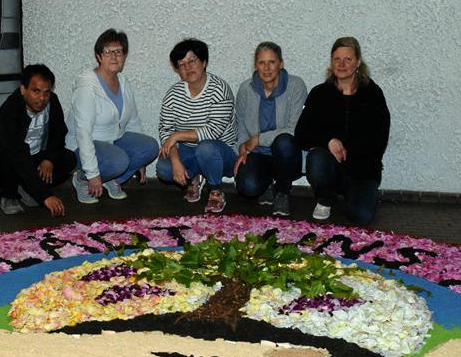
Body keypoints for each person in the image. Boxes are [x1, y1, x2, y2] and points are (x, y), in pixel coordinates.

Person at [295, 37, 390, 225]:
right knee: (316, 158)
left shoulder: (373, 94)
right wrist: (328, 141)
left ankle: (358, 195)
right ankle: (325, 198)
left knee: (361, 216)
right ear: (331, 62)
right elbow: (301, 135)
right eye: (337, 59)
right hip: (331, 165)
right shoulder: (319, 94)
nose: (342, 64)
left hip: (362, 169)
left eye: (348, 59)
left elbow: (380, 139)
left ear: (358, 62)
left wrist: (351, 151)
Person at [66, 29, 158, 204]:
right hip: (84, 146)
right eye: (108, 51)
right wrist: (93, 173)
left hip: (113, 140)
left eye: (119, 51)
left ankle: (112, 180)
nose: (114, 56)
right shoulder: (87, 86)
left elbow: (133, 120)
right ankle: (83, 179)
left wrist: (141, 162)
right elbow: (83, 133)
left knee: (150, 146)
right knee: (119, 161)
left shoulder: (123, 82)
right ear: (99, 56)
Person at [0, 64, 73, 217]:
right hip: (3, 162)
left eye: (46, 93)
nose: (42, 98)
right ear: (23, 90)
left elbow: (58, 134)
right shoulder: (10, 111)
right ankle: (9, 195)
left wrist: (49, 159)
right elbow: (17, 155)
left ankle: (26, 187)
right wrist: (45, 196)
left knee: (68, 159)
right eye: (36, 91)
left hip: (33, 155)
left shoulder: (52, 102)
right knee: (7, 156)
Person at [156, 38, 237, 214]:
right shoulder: (173, 94)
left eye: (192, 61)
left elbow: (212, 131)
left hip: (221, 152)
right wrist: (176, 160)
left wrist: (176, 136)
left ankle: (215, 190)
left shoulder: (220, 90)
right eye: (181, 64)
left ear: (204, 62)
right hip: (190, 149)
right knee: (164, 167)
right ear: (177, 70)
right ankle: (197, 176)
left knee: (206, 148)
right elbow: (166, 130)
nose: (188, 67)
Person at [232, 42, 308, 217]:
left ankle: (282, 191)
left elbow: (294, 128)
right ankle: (266, 184)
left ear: (281, 64)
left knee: (284, 141)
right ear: (255, 65)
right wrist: (243, 148)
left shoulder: (296, 86)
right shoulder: (246, 88)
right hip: (258, 153)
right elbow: (241, 121)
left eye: (272, 62)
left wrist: (258, 139)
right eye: (261, 63)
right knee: (248, 186)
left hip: (287, 155)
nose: (266, 68)